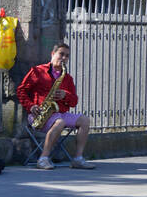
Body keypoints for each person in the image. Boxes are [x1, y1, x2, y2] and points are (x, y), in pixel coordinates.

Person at [17, 42, 93, 170]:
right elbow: (21, 91)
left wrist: (65, 95)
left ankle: (78, 159)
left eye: (67, 56)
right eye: (61, 54)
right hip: (39, 115)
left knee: (84, 120)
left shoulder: (67, 78)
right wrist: (31, 106)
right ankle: (43, 159)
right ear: (53, 54)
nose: (64, 58)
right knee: (59, 122)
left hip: (60, 113)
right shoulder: (37, 71)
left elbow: (74, 102)